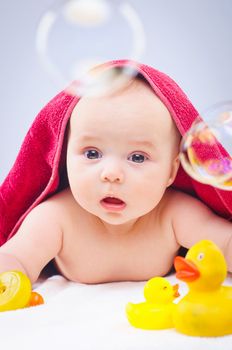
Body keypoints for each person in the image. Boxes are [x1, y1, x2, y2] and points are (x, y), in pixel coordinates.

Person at [0, 60, 231, 284]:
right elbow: (16, 257)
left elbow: (225, 243)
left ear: (171, 172)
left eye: (137, 157)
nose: (111, 174)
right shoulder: (56, 218)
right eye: (92, 154)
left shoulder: (174, 214)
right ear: (63, 157)